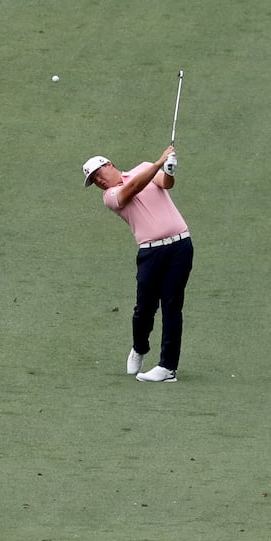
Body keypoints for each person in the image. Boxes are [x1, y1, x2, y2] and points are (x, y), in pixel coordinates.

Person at [82, 146, 193, 383]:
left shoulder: (143, 168)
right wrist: (159, 162)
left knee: (172, 305)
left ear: (109, 164)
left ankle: (167, 368)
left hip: (180, 246)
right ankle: (140, 347)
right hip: (150, 252)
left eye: (99, 174)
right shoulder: (110, 197)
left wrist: (170, 170)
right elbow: (133, 188)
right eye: (94, 181)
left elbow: (166, 183)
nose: (100, 181)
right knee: (144, 309)